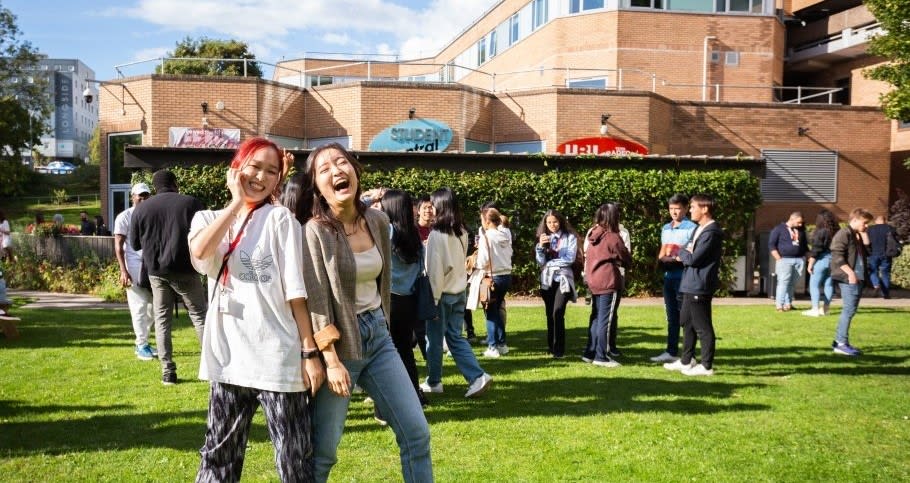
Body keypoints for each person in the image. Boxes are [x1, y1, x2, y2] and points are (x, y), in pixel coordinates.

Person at [285, 143, 433, 482]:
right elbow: (316, 299)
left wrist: (384, 324)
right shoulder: (316, 231)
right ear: (317, 186)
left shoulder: (378, 221)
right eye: (325, 169)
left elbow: (383, 282)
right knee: (323, 452)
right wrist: (331, 360)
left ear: (355, 170)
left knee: (416, 434)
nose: (336, 170)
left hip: (378, 336)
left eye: (342, 162)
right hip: (339, 345)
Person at [188, 137, 322, 482]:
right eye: (255, 167)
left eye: (272, 171)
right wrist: (236, 202)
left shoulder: (280, 219)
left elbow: (295, 291)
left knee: (294, 459)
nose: (261, 177)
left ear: (279, 179)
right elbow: (201, 252)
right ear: (236, 168)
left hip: (277, 357)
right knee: (218, 457)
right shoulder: (207, 218)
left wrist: (309, 352)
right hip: (228, 359)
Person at [130, 169, 207, 385]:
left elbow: (135, 244)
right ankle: (211, 367)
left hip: (157, 271)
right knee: (199, 315)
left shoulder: (141, 208)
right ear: (174, 183)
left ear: (154, 187)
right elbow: (205, 235)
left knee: (162, 319)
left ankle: (168, 371)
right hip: (186, 268)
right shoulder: (191, 203)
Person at [422, 187, 492, 397]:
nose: (431, 209)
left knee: (434, 341)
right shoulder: (461, 230)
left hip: (441, 294)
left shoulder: (436, 234)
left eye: (433, 205)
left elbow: (434, 271)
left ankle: (435, 381)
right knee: (454, 337)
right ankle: (476, 376)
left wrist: (432, 301)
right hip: (459, 291)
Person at [378, 188, 429, 408]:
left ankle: (386, 403)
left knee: (384, 353)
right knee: (405, 350)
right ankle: (415, 395)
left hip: (389, 299)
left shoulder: (388, 231)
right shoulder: (414, 235)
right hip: (409, 300)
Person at [663, 194, 723, 376]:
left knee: (702, 326)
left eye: (693, 207)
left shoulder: (711, 232)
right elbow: (688, 249)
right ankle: (686, 360)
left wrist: (681, 252)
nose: (690, 210)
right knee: (687, 322)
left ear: (705, 209)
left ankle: (706, 366)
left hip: (700, 284)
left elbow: (693, 258)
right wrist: (685, 251)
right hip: (689, 283)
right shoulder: (699, 229)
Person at [583, 203, 632, 368]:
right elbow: (626, 258)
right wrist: (618, 261)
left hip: (593, 279)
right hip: (608, 280)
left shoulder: (593, 234)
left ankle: (589, 353)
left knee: (596, 318)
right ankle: (601, 356)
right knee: (606, 320)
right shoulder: (613, 237)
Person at [651, 194, 697, 363]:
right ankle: (671, 351)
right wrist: (666, 258)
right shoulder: (666, 228)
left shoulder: (692, 228)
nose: (674, 212)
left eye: (677, 208)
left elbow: (690, 253)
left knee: (685, 317)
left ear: (685, 209)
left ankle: (688, 355)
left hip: (684, 277)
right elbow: (663, 252)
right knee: (671, 316)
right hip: (669, 276)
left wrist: (676, 257)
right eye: (671, 209)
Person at [113, 183, 157, 360]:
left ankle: (142, 341)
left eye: (146, 195)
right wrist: (123, 270)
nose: (143, 198)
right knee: (139, 306)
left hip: (152, 265)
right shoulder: (124, 216)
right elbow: (118, 246)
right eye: (140, 195)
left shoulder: (153, 214)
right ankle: (141, 345)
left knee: (154, 307)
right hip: (134, 266)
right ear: (132, 197)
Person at [535, 210, 579, 359]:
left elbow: (569, 259)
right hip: (547, 280)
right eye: (549, 222)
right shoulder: (544, 237)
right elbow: (540, 261)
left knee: (558, 312)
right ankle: (551, 346)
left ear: (560, 221)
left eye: (555, 222)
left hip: (563, 279)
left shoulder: (569, 237)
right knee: (549, 314)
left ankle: (559, 349)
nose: (552, 225)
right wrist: (541, 247)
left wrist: (550, 263)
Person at [830, 208, 873, 356]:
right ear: (854, 220)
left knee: (850, 310)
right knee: (849, 310)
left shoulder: (856, 234)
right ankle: (841, 343)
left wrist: (864, 234)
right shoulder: (844, 233)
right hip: (849, 278)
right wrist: (850, 273)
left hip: (857, 277)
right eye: (865, 223)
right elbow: (837, 256)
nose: (867, 225)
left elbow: (868, 252)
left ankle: (840, 342)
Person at [476, 206, 513, 358]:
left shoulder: (486, 237)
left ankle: (492, 347)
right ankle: (502, 344)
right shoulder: (504, 235)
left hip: (492, 278)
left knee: (490, 313)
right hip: (506, 276)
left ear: (487, 221)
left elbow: (482, 261)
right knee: (497, 310)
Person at [803, 209, 839, 317]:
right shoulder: (837, 231)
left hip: (821, 260)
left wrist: (810, 264)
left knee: (814, 285)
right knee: (829, 284)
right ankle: (825, 309)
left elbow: (816, 249)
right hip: (834, 260)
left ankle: (815, 309)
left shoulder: (821, 232)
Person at [769, 211, 808, 311]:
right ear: (792, 218)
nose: (800, 224)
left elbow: (805, 246)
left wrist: (807, 257)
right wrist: (779, 259)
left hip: (799, 260)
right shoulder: (779, 229)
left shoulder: (800, 231)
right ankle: (779, 305)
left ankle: (788, 304)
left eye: (801, 222)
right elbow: (772, 245)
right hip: (784, 260)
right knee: (783, 282)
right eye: (798, 222)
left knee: (792, 283)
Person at [867, 215, 898, 299]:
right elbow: (896, 241)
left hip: (873, 253)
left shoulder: (870, 229)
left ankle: (876, 284)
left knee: (873, 271)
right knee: (885, 274)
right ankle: (886, 294)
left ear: (876, 221)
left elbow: (866, 241)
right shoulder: (890, 228)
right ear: (885, 220)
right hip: (887, 254)